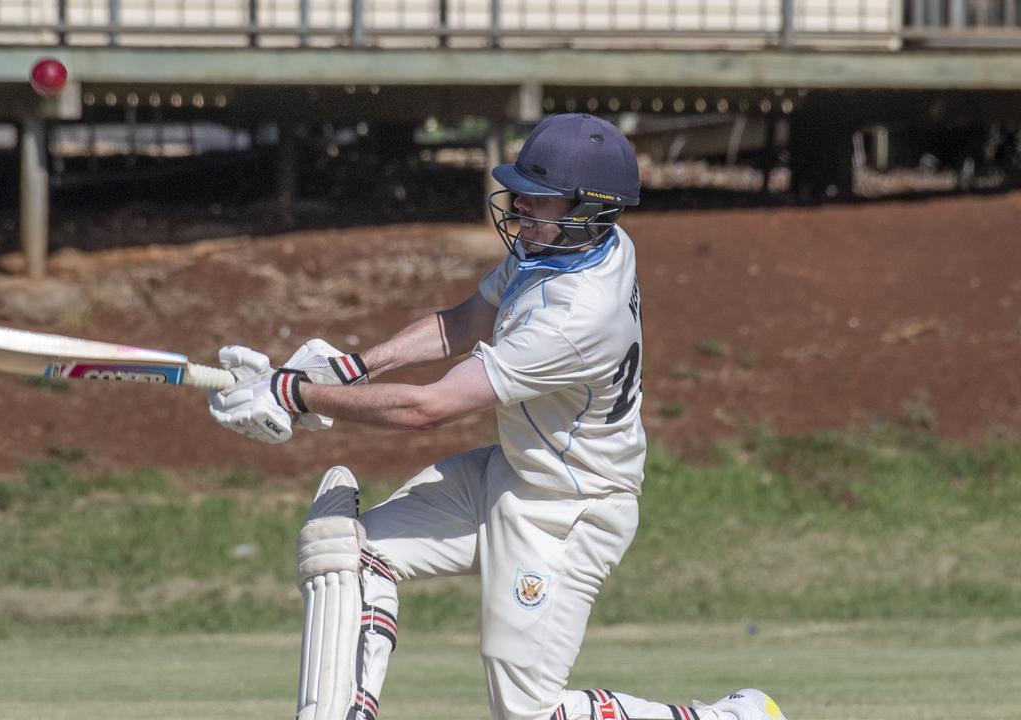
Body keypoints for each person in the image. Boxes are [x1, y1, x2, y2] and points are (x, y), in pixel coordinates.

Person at [209, 113, 788, 720]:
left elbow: (427, 409)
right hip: (509, 471)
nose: (518, 208)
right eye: (520, 193)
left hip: (568, 510)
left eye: (537, 199)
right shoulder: (568, 248)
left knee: (526, 713)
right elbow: (460, 323)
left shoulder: (578, 318)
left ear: (588, 207)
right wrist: (351, 369)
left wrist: (298, 395)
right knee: (351, 555)